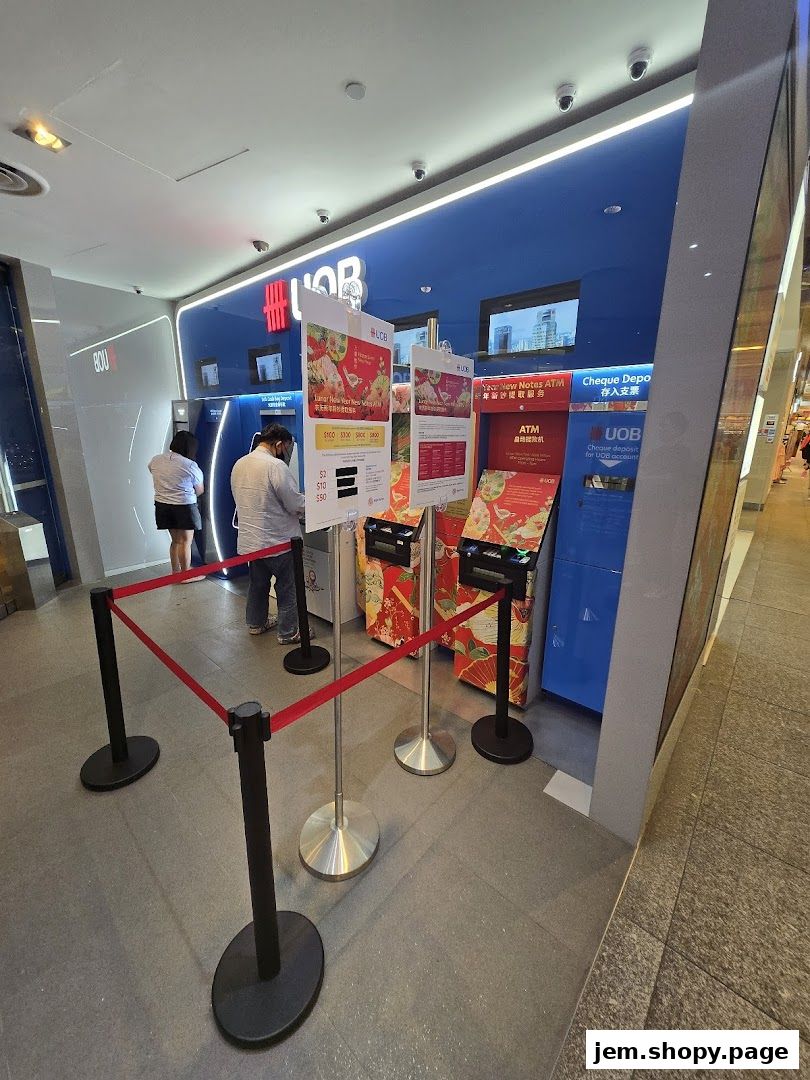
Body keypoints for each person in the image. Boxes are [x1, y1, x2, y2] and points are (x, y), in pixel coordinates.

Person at [230, 423, 312, 640]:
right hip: (279, 542)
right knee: (287, 588)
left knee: (258, 585)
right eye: (287, 447)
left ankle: (256, 623)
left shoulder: (240, 463)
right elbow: (294, 503)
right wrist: (315, 502)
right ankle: (288, 632)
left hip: (251, 542)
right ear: (278, 444)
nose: (286, 452)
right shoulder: (275, 466)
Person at [148, 430, 205, 578]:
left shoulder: (156, 460)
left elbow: (151, 470)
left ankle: (175, 572)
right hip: (184, 506)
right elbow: (200, 490)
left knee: (175, 541)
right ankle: (186, 575)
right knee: (186, 542)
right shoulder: (190, 465)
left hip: (162, 505)